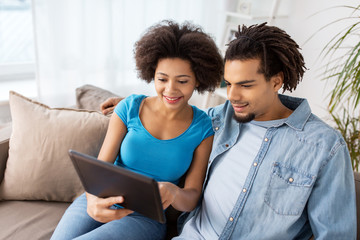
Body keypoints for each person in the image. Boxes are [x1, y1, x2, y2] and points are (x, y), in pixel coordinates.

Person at [101, 22, 357, 239]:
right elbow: (170, 112)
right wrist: (129, 104)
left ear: (276, 81)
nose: (232, 96)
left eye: (245, 85)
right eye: (229, 83)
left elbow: (335, 234)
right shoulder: (218, 119)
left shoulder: (324, 146)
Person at [51, 20, 223, 240]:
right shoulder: (129, 107)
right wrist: (93, 201)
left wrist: (174, 191)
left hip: (145, 218)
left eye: (182, 81)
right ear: (151, 73)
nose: (170, 89)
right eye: (162, 79)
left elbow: (191, 199)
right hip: (100, 197)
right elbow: (100, 167)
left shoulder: (202, 128)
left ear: (198, 80)